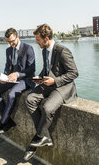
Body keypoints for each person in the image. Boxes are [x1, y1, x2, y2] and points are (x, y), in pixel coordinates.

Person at [23, 24, 78, 161]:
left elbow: (74, 73)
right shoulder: (44, 50)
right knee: (29, 99)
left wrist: (55, 81)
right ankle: (44, 136)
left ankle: (38, 138)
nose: (36, 42)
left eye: (38, 40)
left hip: (63, 87)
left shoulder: (62, 51)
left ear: (46, 38)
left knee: (47, 108)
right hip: (48, 84)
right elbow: (47, 69)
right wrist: (40, 78)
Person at [0, 28, 36, 140]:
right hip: (11, 79)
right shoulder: (8, 50)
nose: (11, 44)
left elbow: (32, 69)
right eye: (9, 42)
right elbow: (8, 68)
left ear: (18, 37)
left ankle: (2, 124)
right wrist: (4, 77)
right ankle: (9, 122)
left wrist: (17, 74)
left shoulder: (28, 48)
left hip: (25, 79)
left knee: (11, 95)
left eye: (12, 41)